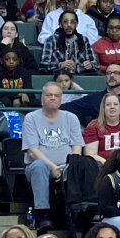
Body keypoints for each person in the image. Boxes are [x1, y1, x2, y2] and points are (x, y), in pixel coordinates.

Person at [23, 83, 84, 228]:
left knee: (83, 165)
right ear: (42, 99)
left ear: (61, 99)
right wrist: (53, 167)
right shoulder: (31, 118)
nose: (53, 98)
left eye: (56, 96)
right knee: (39, 166)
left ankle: (79, 213)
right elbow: (32, 150)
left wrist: (70, 165)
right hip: (38, 167)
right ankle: (43, 214)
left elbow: (77, 146)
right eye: (49, 95)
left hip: (66, 166)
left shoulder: (71, 118)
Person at [82, 93, 120, 164]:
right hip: (102, 167)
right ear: (103, 108)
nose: (112, 107)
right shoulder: (93, 128)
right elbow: (91, 155)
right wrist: (108, 165)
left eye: (115, 104)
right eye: (108, 105)